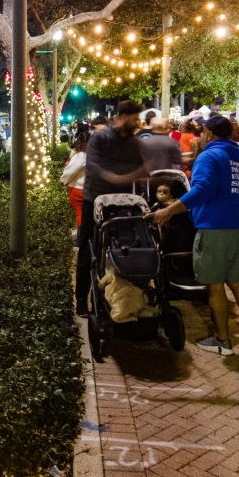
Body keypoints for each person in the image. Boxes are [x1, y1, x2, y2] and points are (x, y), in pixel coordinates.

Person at [150, 114, 239, 354]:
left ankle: (223, 340)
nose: (200, 135)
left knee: (214, 286)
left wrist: (170, 210)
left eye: (203, 132)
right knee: (236, 280)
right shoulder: (236, 158)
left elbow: (201, 190)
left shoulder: (208, 156)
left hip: (217, 227)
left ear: (210, 134)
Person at [75, 101, 147, 317]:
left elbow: (141, 169)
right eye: (133, 119)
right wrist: (121, 176)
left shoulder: (134, 143)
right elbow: (96, 167)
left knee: (125, 249)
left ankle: (122, 297)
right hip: (95, 202)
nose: (136, 123)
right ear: (122, 117)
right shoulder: (101, 137)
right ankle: (81, 300)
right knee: (88, 251)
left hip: (123, 203)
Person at [60, 134, 87, 227]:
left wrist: (63, 180)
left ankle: (82, 236)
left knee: (80, 214)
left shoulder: (81, 155)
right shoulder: (92, 154)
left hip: (78, 188)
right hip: (87, 188)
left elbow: (71, 171)